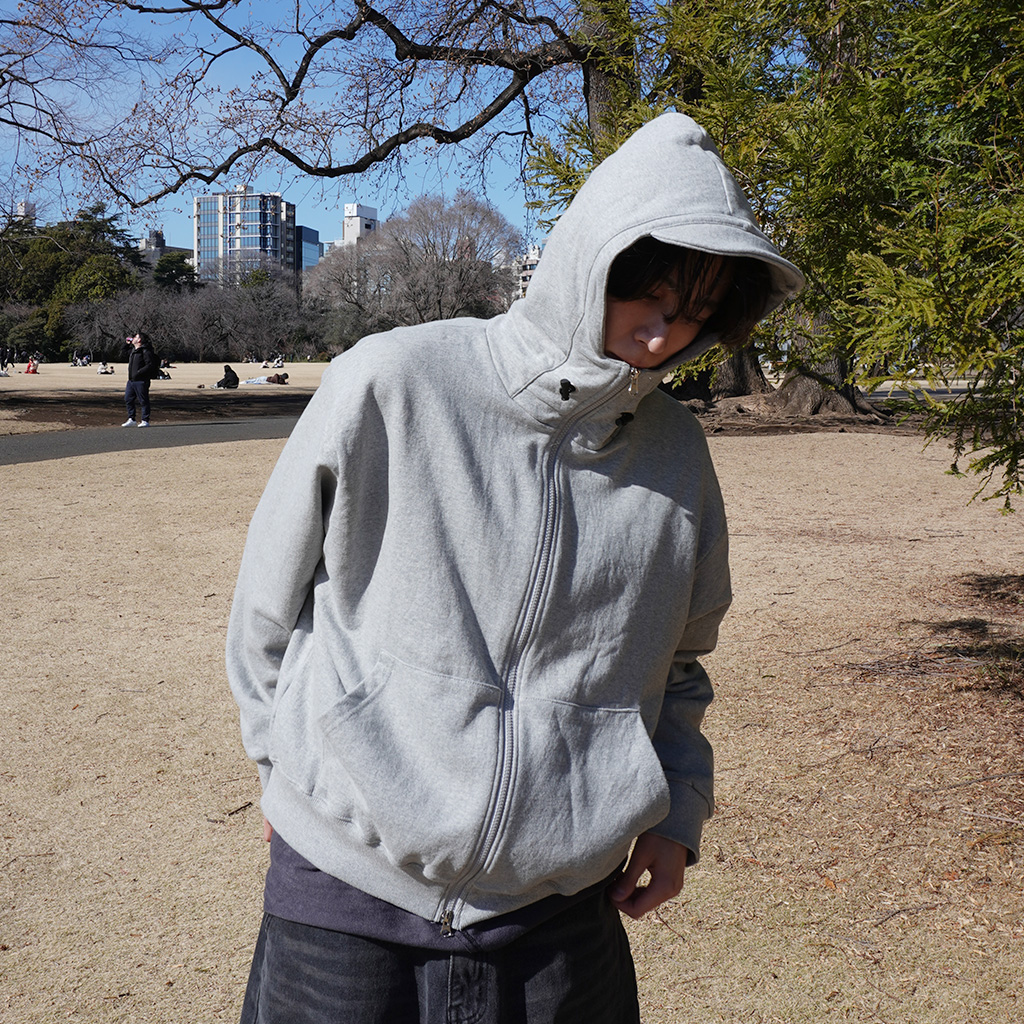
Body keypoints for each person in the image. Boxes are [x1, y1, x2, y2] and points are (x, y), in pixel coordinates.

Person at [227, 113, 804, 1024]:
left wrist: (677, 809)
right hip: (342, 898)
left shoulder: (677, 454)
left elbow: (682, 664)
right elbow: (268, 604)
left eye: (695, 312)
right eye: (648, 296)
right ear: (590, 262)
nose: (664, 336)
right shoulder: (393, 380)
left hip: (560, 917)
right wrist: (281, 768)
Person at [122, 331, 157, 427]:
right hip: (131, 380)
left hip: (141, 380)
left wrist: (139, 372)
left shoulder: (145, 351)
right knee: (128, 399)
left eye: (136, 337)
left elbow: (150, 365)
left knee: (143, 400)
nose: (133, 338)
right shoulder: (133, 351)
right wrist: (126, 344)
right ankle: (131, 418)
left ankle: (145, 420)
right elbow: (123, 353)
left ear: (139, 340)